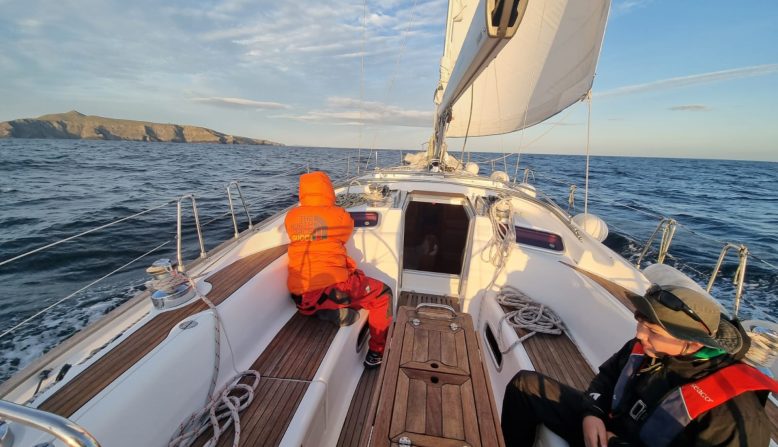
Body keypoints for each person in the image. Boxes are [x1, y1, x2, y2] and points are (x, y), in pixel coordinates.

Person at [501, 281, 778, 446]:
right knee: (526, 385)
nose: (639, 335)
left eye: (653, 332)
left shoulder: (734, 411)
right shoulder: (647, 347)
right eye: (640, 324)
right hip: (608, 429)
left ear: (693, 343)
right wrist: (592, 411)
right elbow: (606, 378)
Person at [285, 171, 393, 368]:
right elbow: (346, 230)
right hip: (334, 286)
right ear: (328, 191)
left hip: (300, 292)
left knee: (333, 286)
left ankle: (320, 308)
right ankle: (376, 354)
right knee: (383, 294)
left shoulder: (291, 217)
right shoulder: (339, 215)